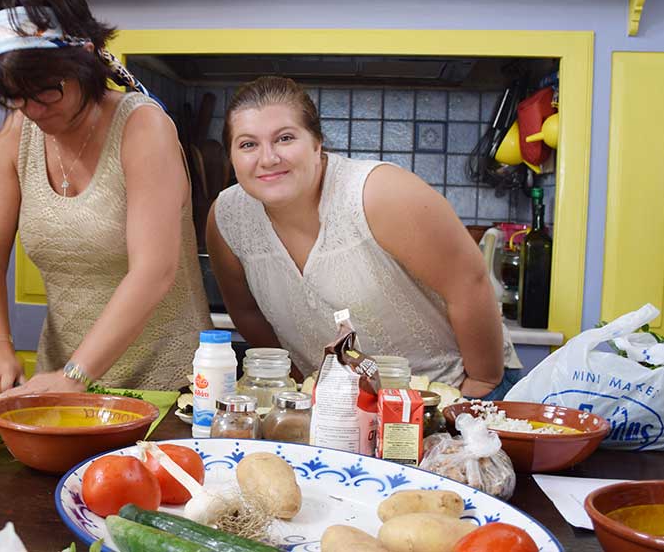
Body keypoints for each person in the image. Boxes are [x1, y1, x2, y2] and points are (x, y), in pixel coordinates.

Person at [0, 0, 211, 398]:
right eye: (16, 96)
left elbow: (155, 271)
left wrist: (77, 375)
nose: (33, 111)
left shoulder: (142, 127)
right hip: (60, 382)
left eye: (47, 92)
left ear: (85, 60)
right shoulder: (18, 132)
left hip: (166, 387)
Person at [206, 77, 521, 400]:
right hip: (343, 407)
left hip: (452, 391)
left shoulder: (378, 193)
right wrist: (298, 381)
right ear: (231, 157)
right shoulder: (228, 218)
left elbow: (469, 283)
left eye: (285, 138)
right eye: (248, 144)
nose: (268, 158)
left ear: (317, 144)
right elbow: (247, 312)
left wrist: (480, 386)